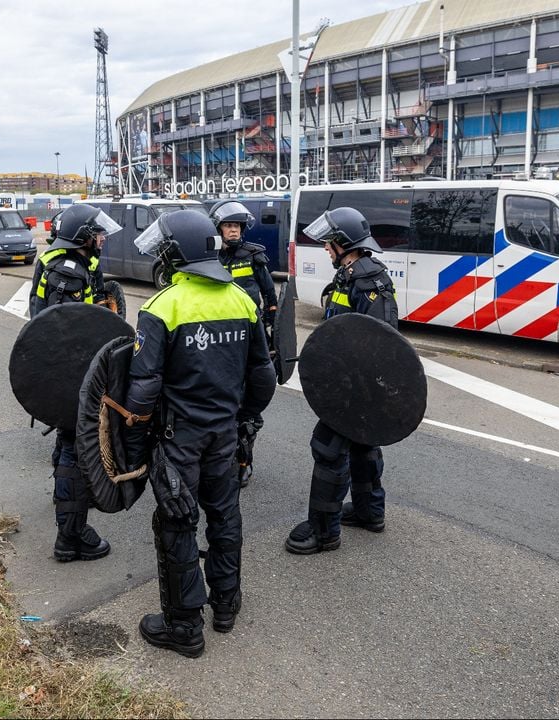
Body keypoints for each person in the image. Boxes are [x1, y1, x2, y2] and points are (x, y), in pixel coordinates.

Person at [122, 210, 276, 658]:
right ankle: (226, 604)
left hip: (179, 439)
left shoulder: (162, 306)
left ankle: (184, 627)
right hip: (224, 435)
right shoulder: (240, 301)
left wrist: (134, 449)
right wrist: (244, 420)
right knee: (225, 517)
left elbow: (143, 389)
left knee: (176, 522)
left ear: (175, 256)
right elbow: (263, 376)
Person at [286, 207, 399, 556]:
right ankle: (369, 512)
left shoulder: (368, 283)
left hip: (355, 389)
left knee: (328, 449)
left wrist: (356, 392)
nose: (325, 249)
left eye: (329, 243)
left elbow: (381, 343)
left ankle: (323, 532)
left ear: (344, 244)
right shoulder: (349, 277)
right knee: (363, 447)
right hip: (348, 383)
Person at [27, 203, 122, 562]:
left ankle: (67, 501)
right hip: (70, 372)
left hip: (67, 370)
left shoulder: (74, 265)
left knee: (69, 446)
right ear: (82, 237)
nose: (101, 239)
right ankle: (70, 535)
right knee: (75, 449)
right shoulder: (68, 272)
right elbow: (63, 330)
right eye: (97, 233)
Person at [210, 200, 277, 489]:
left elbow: (270, 297)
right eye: (228, 225)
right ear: (219, 229)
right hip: (220, 339)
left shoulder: (254, 256)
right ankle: (218, 455)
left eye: (237, 226)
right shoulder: (210, 257)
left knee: (247, 408)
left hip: (251, 338)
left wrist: (272, 336)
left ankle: (243, 461)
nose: (233, 230)